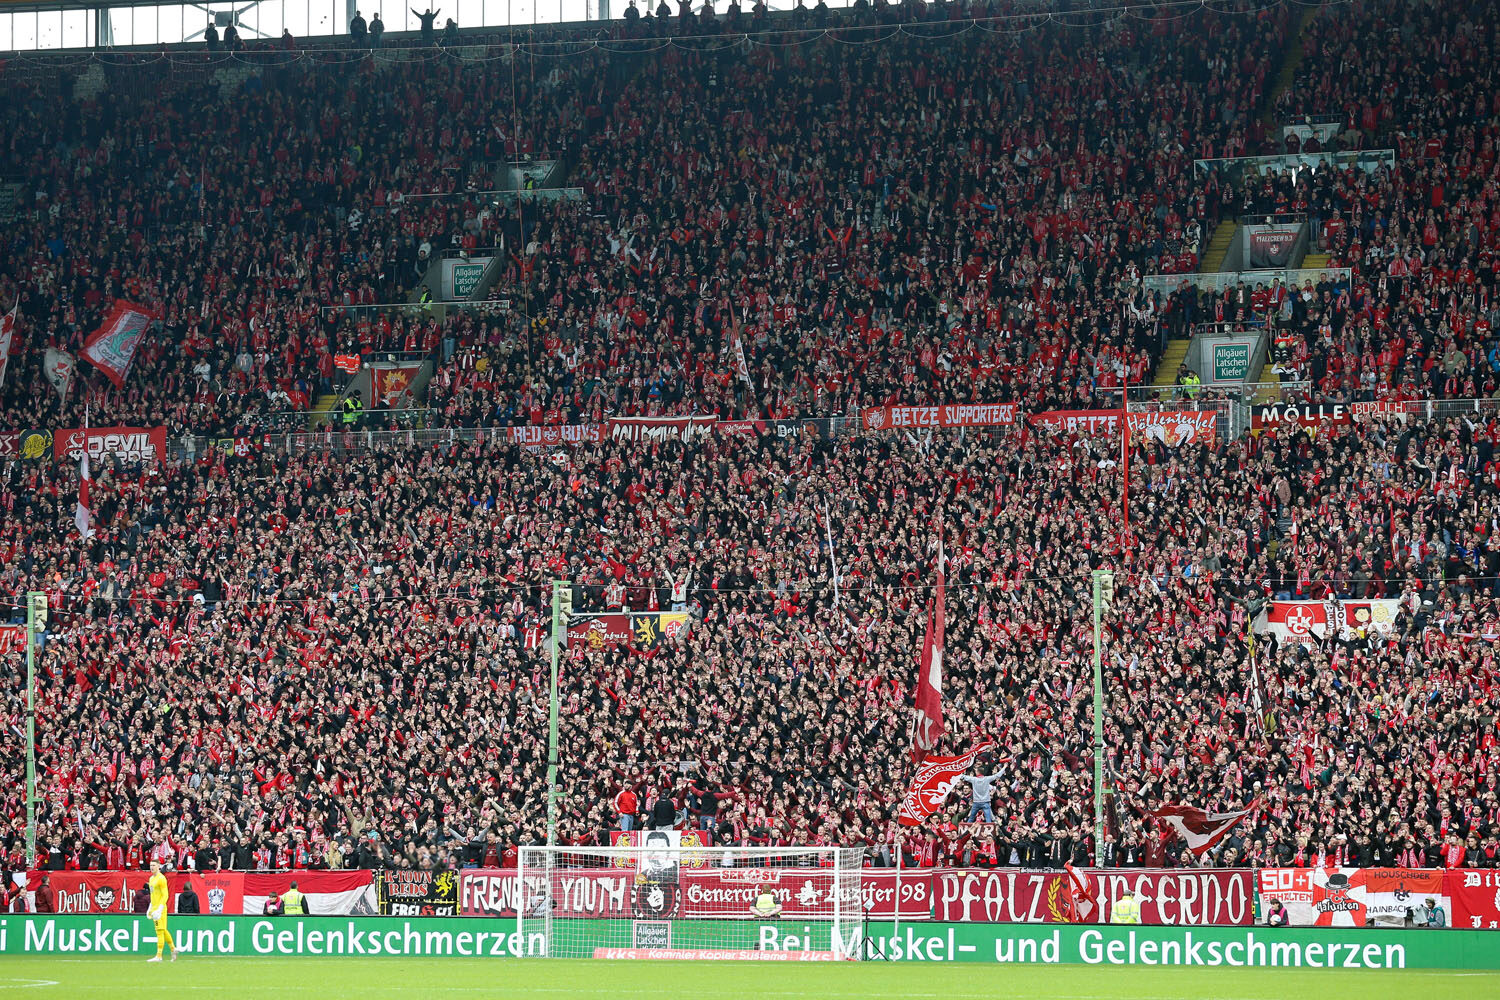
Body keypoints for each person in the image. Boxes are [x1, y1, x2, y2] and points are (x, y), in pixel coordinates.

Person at [145, 860, 178, 963]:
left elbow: (165, 895)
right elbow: (153, 894)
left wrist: (159, 908)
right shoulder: (151, 879)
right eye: (150, 865)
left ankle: (159, 956)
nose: (152, 867)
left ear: (159, 866)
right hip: (154, 907)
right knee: (163, 930)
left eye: (154, 865)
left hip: (160, 908)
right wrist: (150, 907)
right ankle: (173, 949)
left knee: (159, 931)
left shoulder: (161, 878)